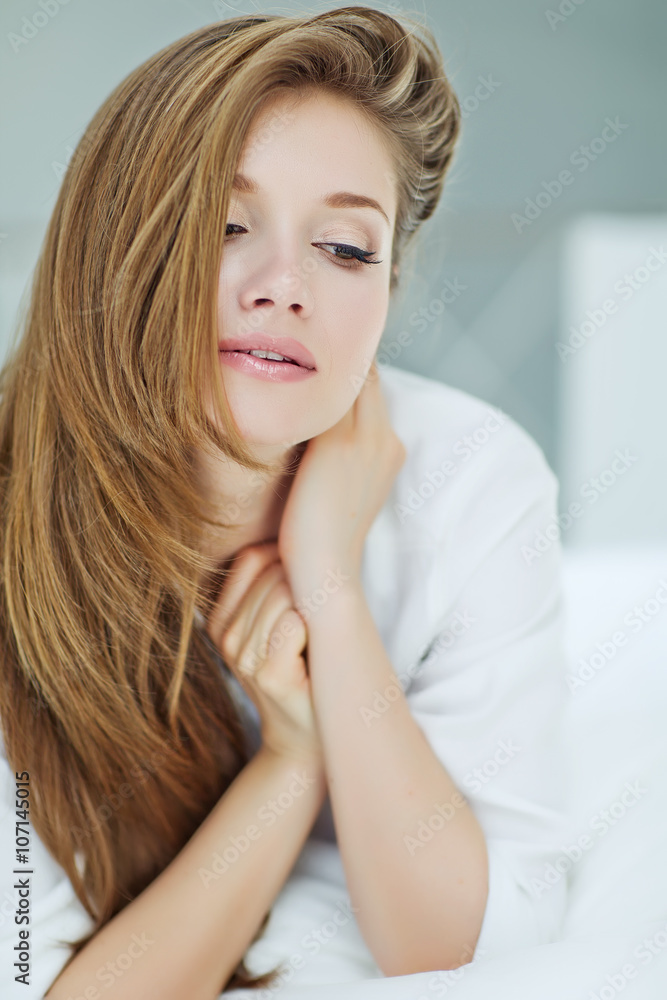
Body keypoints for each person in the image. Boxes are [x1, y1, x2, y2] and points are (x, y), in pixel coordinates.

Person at [0, 7, 569, 999]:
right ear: (112, 248)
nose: (284, 287)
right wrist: (291, 764)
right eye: (224, 226)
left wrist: (331, 590)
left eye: (345, 249)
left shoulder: (472, 477)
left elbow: (454, 946)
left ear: (389, 285)